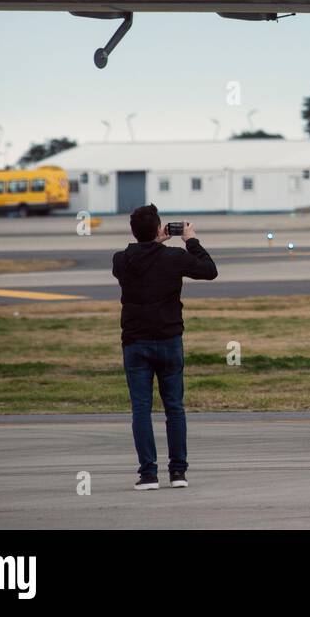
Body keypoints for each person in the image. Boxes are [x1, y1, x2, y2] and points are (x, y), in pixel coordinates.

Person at [113, 204, 217, 490]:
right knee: (174, 408)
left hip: (135, 343)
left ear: (133, 232)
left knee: (141, 409)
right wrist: (190, 240)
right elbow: (210, 271)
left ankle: (148, 474)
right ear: (160, 228)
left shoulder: (121, 260)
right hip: (169, 340)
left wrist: (151, 242)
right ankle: (178, 472)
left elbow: (139, 255)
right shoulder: (174, 257)